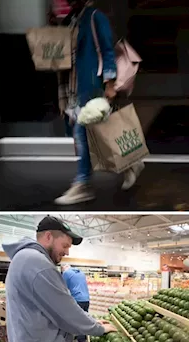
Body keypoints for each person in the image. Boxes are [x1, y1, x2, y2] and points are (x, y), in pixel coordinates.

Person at [3, 216, 117, 342]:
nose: (67, 252)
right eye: (64, 245)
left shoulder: (25, 258)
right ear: (48, 237)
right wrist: (98, 328)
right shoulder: (38, 264)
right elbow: (66, 311)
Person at [54, 0, 145, 206]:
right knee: (99, 133)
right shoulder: (72, 20)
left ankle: (83, 183)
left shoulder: (95, 16)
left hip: (92, 86)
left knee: (83, 134)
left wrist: (110, 83)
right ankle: (131, 163)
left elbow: (107, 50)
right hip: (76, 88)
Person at [61, 264, 91, 342]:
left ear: (63, 269)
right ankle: (82, 337)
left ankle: (80, 339)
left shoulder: (66, 273)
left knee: (77, 319)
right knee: (84, 318)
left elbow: (62, 287)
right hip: (86, 299)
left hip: (77, 299)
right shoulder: (81, 272)